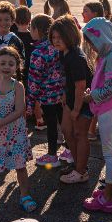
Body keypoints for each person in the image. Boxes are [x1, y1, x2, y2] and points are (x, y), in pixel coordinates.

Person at [0, 47, 35, 216]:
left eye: (11, 64)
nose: (6, 66)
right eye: (2, 63)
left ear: (17, 67)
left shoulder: (18, 86)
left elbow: (19, 111)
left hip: (15, 133)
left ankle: (25, 196)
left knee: (20, 167)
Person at [82, 18, 112, 212]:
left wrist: (91, 96)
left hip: (107, 108)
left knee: (109, 153)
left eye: (93, 41)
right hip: (106, 108)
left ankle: (107, 197)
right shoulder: (108, 55)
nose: (91, 46)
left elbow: (110, 88)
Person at [53, 16, 93, 185]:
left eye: (60, 37)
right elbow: (68, 80)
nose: (56, 41)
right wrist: (64, 94)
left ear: (70, 35)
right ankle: (77, 165)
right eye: (54, 37)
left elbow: (81, 86)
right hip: (71, 98)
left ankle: (81, 171)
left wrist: (76, 109)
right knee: (67, 131)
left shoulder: (76, 57)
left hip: (83, 101)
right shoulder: (64, 53)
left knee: (79, 134)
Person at [27, 13, 65, 166]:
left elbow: (34, 80)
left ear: (37, 30)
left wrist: (30, 102)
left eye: (31, 28)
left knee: (51, 126)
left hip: (47, 96)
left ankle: (52, 155)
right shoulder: (58, 47)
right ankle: (70, 151)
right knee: (64, 123)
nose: (30, 31)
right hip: (61, 94)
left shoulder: (38, 53)